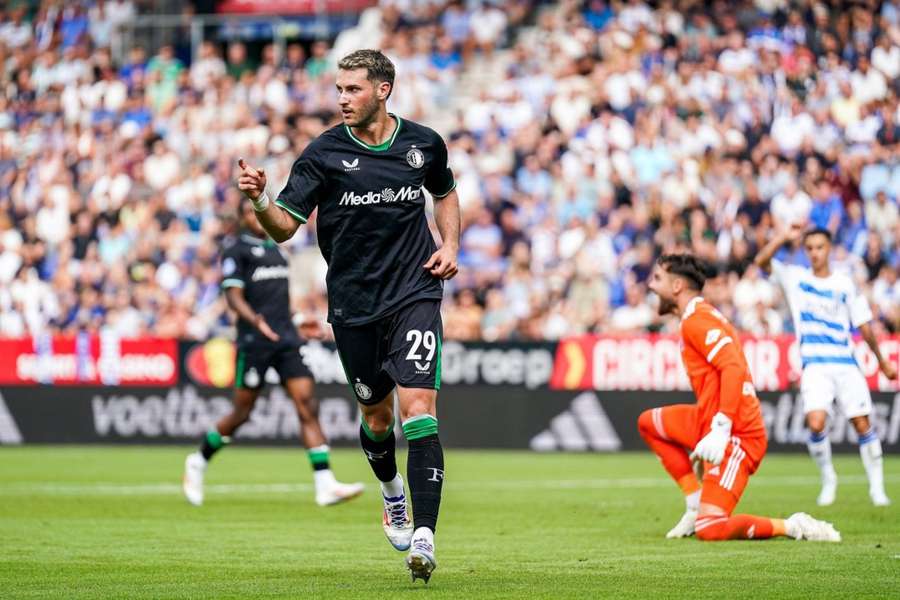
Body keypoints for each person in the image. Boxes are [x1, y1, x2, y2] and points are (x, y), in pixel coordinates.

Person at [236, 49, 460, 583]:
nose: (342, 99)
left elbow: (445, 192)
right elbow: (284, 227)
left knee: (419, 407)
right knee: (377, 419)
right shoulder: (323, 154)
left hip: (416, 291)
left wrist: (450, 243)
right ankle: (392, 495)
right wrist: (263, 196)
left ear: (383, 90)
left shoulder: (423, 143)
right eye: (338, 89)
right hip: (354, 305)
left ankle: (425, 536)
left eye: (353, 89)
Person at [639, 253, 841, 542]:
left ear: (677, 287)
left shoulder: (697, 320)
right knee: (649, 423)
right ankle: (694, 505)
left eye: (657, 278)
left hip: (738, 433)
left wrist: (722, 429)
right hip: (707, 420)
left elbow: (732, 366)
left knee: (711, 528)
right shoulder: (696, 317)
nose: (650, 285)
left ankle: (795, 526)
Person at [182, 203, 364, 508]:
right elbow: (234, 297)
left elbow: (277, 301)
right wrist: (256, 322)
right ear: (242, 217)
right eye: (250, 213)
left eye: (259, 211)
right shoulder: (236, 250)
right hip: (254, 339)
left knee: (307, 403)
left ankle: (325, 484)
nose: (257, 217)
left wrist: (296, 320)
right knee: (242, 413)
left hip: (286, 339)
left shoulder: (278, 250)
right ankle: (198, 461)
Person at [755, 224, 896, 506]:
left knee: (861, 422)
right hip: (815, 366)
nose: (815, 253)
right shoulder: (795, 278)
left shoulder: (844, 283)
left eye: (820, 247)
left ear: (829, 249)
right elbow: (761, 261)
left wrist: (881, 362)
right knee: (816, 423)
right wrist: (783, 236)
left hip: (845, 363)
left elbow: (864, 326)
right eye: (810, 248)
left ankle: (877, 488)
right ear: (805, 251)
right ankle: (829, 479)